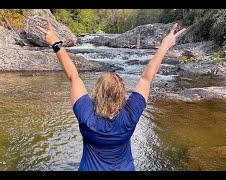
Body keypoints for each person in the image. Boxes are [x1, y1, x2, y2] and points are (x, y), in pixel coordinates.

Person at [37, 20, 186, 171]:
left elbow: (73, 76)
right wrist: (164, 46)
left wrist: (56, 43)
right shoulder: (130, 115)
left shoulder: (87, 116)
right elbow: (146, 79)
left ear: (97, 91)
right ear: (122, 95)